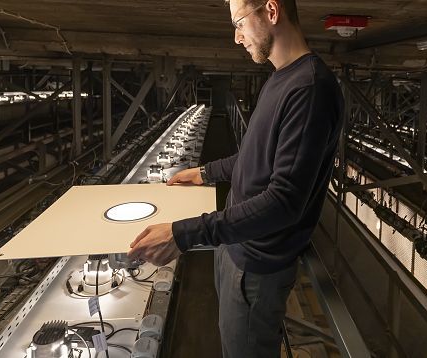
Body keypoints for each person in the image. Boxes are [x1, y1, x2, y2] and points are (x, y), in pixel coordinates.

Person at [128, 0, 344, 356]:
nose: (236, 37)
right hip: (236, 248)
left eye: (240, 22)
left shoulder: (309, 89)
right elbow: (254, 157)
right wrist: (204, 172)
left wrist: (185, 234)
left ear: (271, 11)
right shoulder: (281, 78)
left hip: (256, 270)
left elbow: (284, 203)